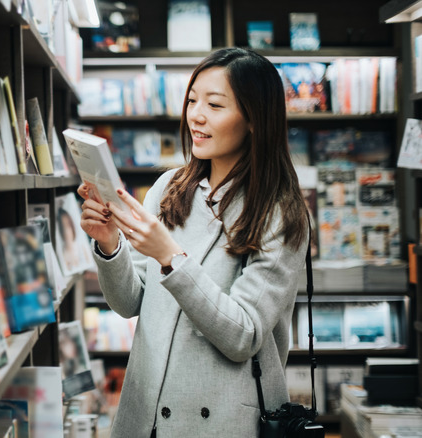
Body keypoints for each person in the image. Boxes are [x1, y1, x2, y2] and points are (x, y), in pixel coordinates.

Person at [77, 47, 310, 437]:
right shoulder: (168, 188)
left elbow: (243, 335)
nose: (196, 115)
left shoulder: (281, 214)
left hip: (223, 420)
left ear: (254, 118)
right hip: (146, 412)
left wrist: (170, 256)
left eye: (215, 105)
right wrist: (109, 244)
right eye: (192, 100)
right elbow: (129, 302)